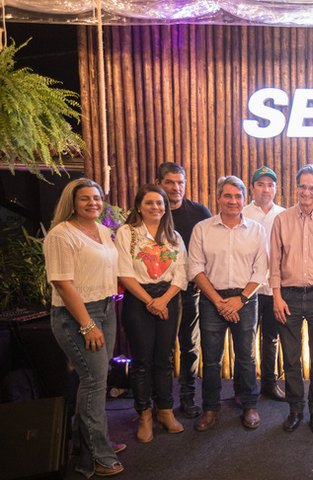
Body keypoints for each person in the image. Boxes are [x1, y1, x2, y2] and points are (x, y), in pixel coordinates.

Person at [43, 178, 124, 477]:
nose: (93, 203)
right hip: (76, 315)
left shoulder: (101, 230)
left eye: (97, 198)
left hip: (105, 309)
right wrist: (87, 325)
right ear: (72, 202)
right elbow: (62, 283)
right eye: (85, 198)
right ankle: (97, 457)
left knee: (96, 380)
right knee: (93, 381)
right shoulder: (61, 234)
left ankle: (86, 442)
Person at [187, 176, 268, 432]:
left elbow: (261, 269)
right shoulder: (202, 229)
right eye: (228, 196)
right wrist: (219, 302)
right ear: (218, 198)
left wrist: (240, 299)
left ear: (244, 199)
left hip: (246, 299)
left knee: (246, 356)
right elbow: (195, 268)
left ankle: (249, 405)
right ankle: (210, 407)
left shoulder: (257, 230)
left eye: (237, 196)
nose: (233, 201)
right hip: (212, 299)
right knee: (211, 359)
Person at [270, 164, 313, 434]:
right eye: (303, 186)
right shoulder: (281, 220)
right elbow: (274, 262)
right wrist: (276, 296)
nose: (307, 192)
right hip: (287, 297)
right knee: (291, 358)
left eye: (312, 188)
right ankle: (296, 410)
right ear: (296, 187)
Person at [115, 184, 187, 443]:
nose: (155, 207)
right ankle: (144, 414)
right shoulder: (127, 233)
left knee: (164, 358)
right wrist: (151, 302)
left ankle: (165, 410)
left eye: (160, 203)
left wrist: (163, 301)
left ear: (165, 207)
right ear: (139, 206)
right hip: (138, 300)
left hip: (168, 299)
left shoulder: (174, 236)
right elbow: (124, 272)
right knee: (142, 360)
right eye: (149, 203)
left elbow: (181, 274)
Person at [155, 162, 212, 419]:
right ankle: (162, 401)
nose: (176, 187)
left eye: (180, 182)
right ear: (159, 184)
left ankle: (188, 397)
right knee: (162, 348)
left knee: (190, 345)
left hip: (191, 290)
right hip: (158, 292)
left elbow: (212, 247)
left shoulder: (199, 212)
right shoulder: (150, 211)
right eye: (170, 182)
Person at [242, 166, 287, 401]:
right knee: (245, 340)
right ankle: (245, 388)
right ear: (252, 188)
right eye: (260, 184)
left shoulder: (284, 215)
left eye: (270, 185)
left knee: (271, 338)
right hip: (248, 289)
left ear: (276, 189)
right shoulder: (243, 213)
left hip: (274, 289)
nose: (266, 189)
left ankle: (270, 384)